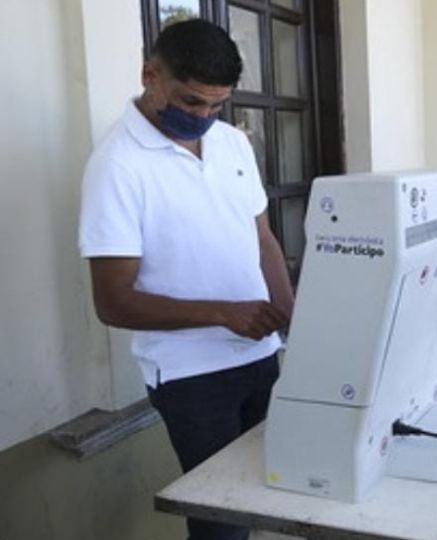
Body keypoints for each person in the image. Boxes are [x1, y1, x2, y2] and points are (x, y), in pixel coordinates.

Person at [78, 20, 294, 540]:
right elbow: (113, 302)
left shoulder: (230, 143)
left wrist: (292, 321)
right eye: (192, 102)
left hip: (261, 354)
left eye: (216, 105)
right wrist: (223, 312)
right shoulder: (117, 167)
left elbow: (261, 238)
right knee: (221, 521)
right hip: (190, 378)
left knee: (272, 496)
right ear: (150, 75)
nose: (204, 117)